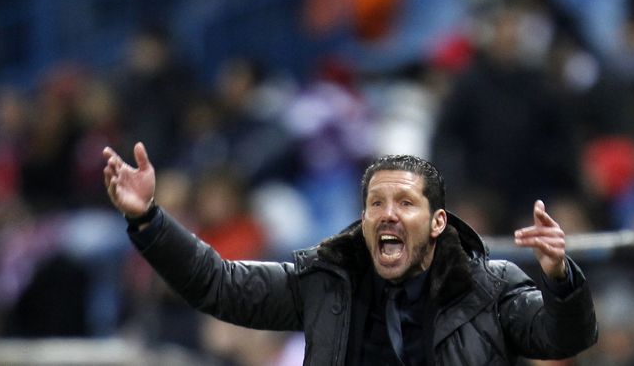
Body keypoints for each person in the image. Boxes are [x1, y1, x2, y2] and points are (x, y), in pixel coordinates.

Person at [102, 142, 598, 365]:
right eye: (375, 203)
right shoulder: (324, 280)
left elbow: (563, 337)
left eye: (405, 203)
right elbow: (218, 285)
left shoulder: (491, 286)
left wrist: (558, 279)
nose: (387, 214)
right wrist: (149, 219)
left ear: (438, 222)